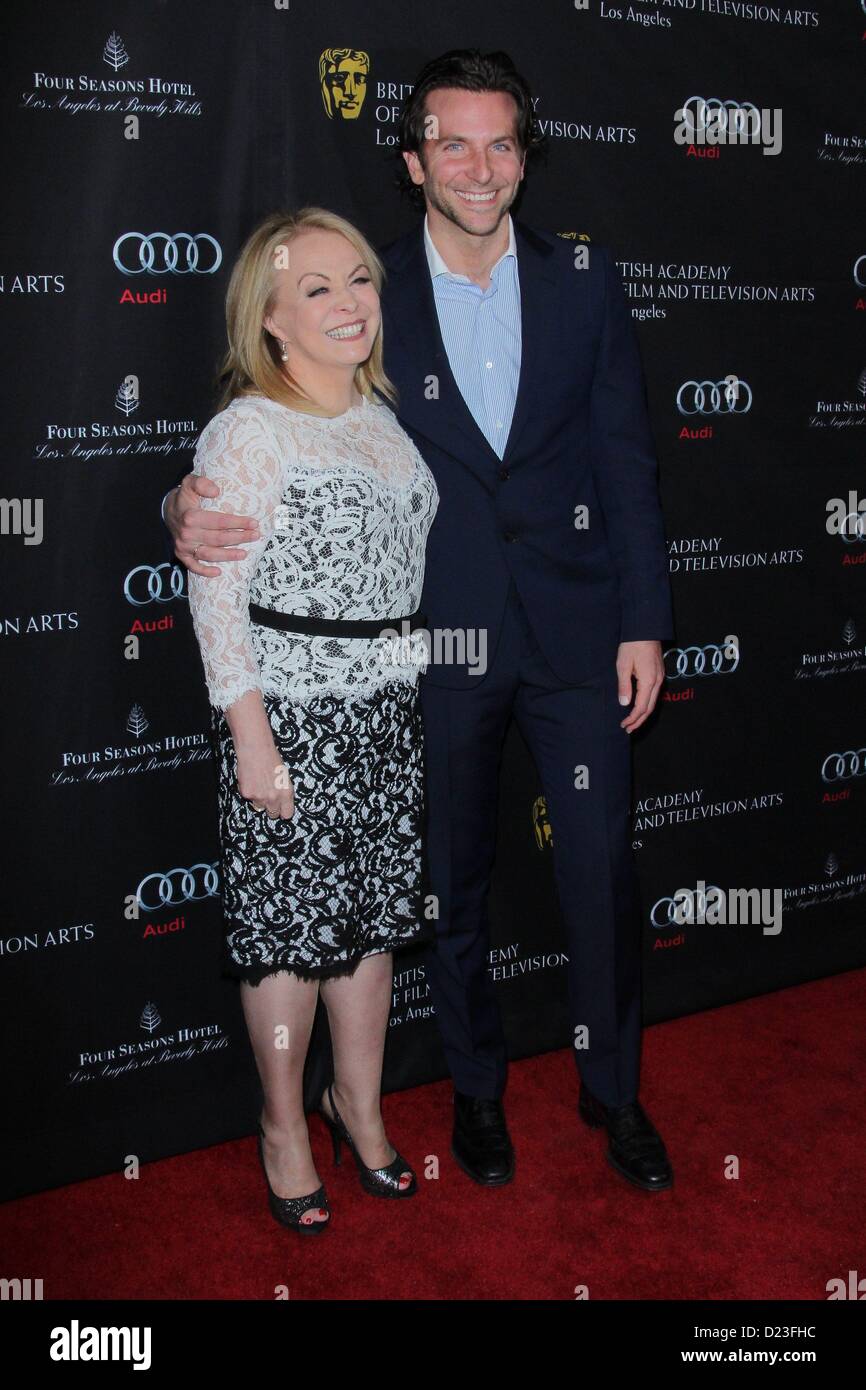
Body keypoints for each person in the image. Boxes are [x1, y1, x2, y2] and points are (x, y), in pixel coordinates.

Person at [166, 49, 675, 1194]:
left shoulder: (582, 278)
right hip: (433, 648)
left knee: (598, 869)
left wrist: (642, 618)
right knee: (448, 881)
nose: (477, 165)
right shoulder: (370, 288)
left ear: (523, 157)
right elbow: (274, 424)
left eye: (499, 142)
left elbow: (627, 457)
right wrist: (178, 504)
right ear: (412, 160)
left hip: (579, 632)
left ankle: (616, 1094)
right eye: (452, 142)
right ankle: (477, 1093)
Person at [185, 207, 438, 1232]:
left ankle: (359, 1108)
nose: (348, 304)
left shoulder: (382, 420)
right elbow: (215, 593)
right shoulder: (249, 428)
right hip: (289, 720)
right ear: (272, 319)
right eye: (317, 288)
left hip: (386, 715)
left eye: (359, 280)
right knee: (290, 944)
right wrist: (251, 737)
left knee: (371, 937)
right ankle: (283, 1124)